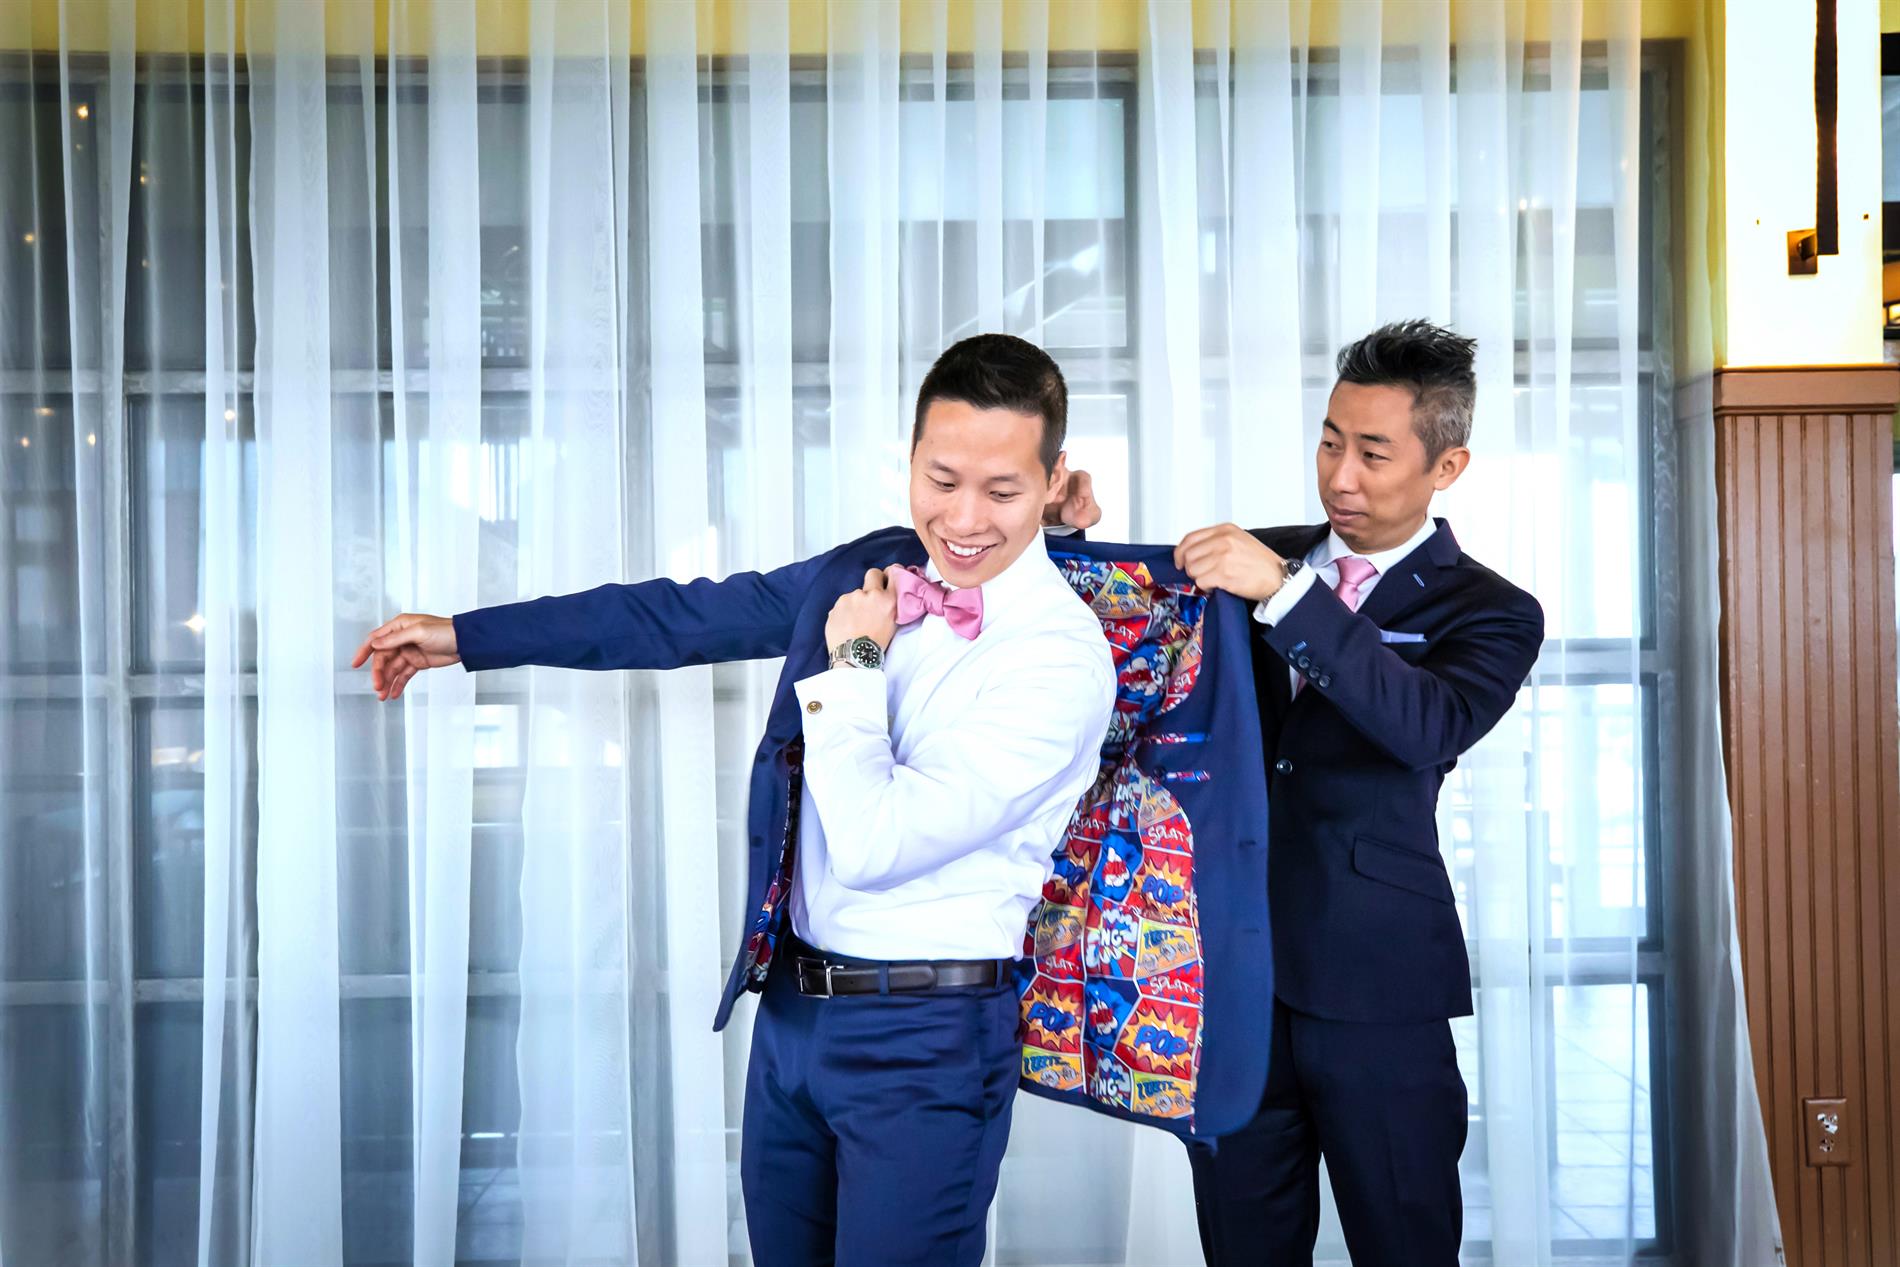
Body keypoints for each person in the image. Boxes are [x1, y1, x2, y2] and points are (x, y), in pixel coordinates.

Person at [353, 334, 1117, 1266]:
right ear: (911, 458)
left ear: (1053, 481)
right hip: (792, 1016)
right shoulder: (875, 569)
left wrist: (856, 660)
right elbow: (682, 615)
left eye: (1002, 491)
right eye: (941, 479)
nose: (961, 518)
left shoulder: (1060, 659)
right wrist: (469, 636)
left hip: (928, 1038)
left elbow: (874, 843)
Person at [1171, 320, 1545, 1265]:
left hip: (1382, 984)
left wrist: (1288, 596)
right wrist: (1058, 533)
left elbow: (1423, 724)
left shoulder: (1494, 611)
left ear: (1447, 465)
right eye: (1331, 441)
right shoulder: (1254, 559)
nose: (1340, 475)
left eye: (1373, 453)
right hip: (1237, 978)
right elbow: (1130, 634)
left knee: (1406, 1244)